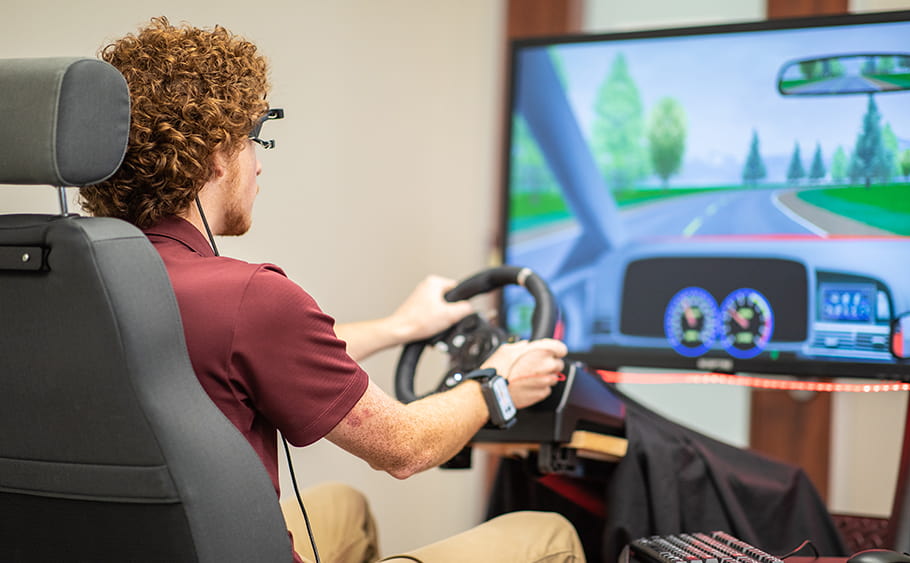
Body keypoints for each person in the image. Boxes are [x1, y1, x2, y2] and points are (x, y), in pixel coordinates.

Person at [79, 17, 585, 563]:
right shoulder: (249, 298)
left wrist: (400, 329)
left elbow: (250, 354)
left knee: (344, 508)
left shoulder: (67, 281)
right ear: (214, 155)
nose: (259, 164)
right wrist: (498, 384)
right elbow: (405, 447)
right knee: (548, 535)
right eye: (253, 139)